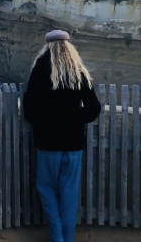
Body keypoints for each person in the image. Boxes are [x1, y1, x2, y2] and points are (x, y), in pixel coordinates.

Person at [23, 30, 101, 242]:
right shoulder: (78, 72)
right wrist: (73, 118)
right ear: (69, 47)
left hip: (47, 143)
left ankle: (56, 237)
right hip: (73, 144)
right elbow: (94, 108)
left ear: (48, 46)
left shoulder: (40, 69)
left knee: (47, 189)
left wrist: (47, 121)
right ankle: (67, 238)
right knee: (69, 193)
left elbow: (29, 110)